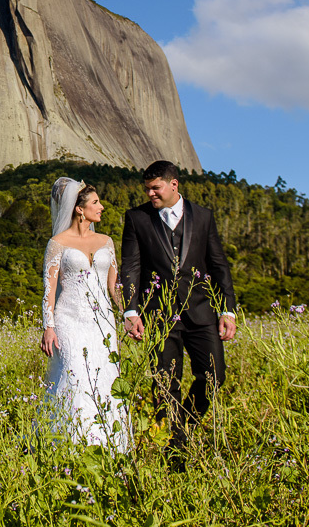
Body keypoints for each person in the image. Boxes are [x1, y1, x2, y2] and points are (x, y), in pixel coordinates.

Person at [120, 160, 237, 452]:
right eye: (146, 189)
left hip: (201, 312)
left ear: (174, 185)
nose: (150, 194)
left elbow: (218, 264)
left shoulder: (203, 216)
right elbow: (131, 266)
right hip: (159, 314)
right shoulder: (136, 218)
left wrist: (227, 310)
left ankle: (182, 428)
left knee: (213, 377)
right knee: (164, 384)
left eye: (155, 188)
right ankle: (170, 447)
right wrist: (131, 310)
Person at [41, 177, 129, 448]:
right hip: (68, 321)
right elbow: (49, 288)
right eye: (95, 202)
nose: (101, 206)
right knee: (74, 373)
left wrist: (127, 315)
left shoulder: (107, 241)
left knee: (105, 377)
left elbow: (114, 287)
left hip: (102, 324)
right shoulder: (57, 243)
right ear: (79, 209)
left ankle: (108, 446)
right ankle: (68, 444)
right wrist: (48, 326)